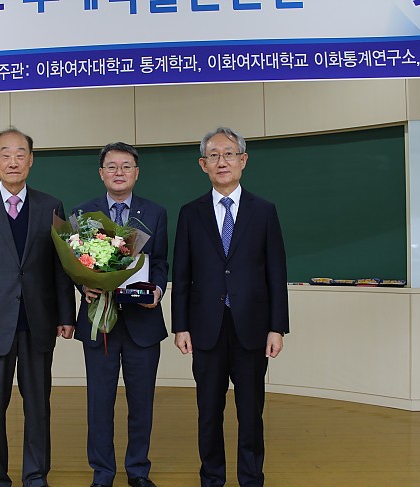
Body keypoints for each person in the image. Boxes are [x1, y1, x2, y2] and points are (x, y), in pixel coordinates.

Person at [0, 128, 76, 487]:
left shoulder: (51, 205)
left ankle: (36, 477)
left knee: (38, 408)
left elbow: (61, 267)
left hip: (38, 323)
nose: (13, 161)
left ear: (31, 160)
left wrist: (66, 315)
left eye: (20, 154)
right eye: (5, 154)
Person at [171, 127, 289, 487]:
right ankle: (212, 478)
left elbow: (276, 273)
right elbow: (182, 274)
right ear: (203, 164)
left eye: (229, 154)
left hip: (252, 327)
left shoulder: (264, 211)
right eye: (214, 155)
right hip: (205, 327)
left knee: (251, 412)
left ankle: (251, 478)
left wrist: (277, 327)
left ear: (243, 160)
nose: (222, 161)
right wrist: (180, 326)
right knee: (208, 411)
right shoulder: (190, 213)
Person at [73, 142, 168, 487]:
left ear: (136, 173)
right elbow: (75, 262)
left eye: (126, 166)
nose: (119, 172)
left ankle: (138, 471)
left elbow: (160, 262)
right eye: (112, 166)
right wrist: (82, 285)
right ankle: (103, 473)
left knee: (141, 404)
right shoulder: (83, 213)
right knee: (99, 403)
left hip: (143, 321)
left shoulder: (155, 212)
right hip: (100, 322)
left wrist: (157, 290)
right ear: (101, 173)